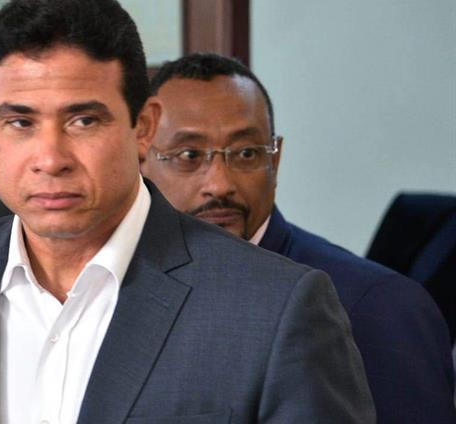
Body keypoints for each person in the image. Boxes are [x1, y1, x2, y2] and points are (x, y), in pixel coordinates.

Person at [0, 0, 374, 423]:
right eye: (20, 122)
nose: (50, 158)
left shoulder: (273, 307)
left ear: (144, 127)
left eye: (83, 121)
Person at [141, 52, 456, 423]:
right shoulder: (120, 285)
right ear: (140, 162)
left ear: (274, 163)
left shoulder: (378, 306)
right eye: (189, 155)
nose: (220, 184)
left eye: (246, 153)